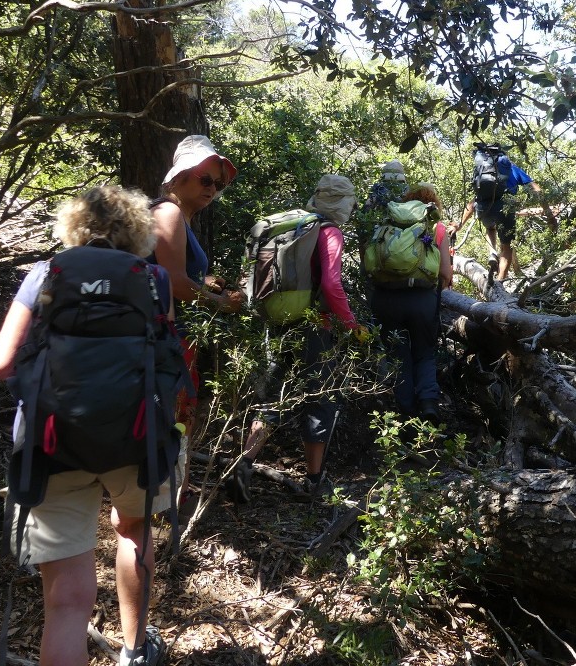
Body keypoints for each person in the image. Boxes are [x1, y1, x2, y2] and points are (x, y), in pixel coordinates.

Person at [0, 185, 176, 666]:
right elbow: (164, 360)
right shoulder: (154, 279)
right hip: (135, 441)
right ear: (137, 230)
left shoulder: (46, 273)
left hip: (53, 445)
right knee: (134, 531)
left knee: (67, 604)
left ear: (73, 226)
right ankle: (135, 650)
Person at [231, 174, 367, 500]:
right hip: (313, 328)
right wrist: (352, 325)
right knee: (320, 399)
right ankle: (315, 480)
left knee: (273, 395)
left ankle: (243, 465)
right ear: (344, 203)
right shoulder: (329, 231)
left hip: (277, 322)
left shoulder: (296, 225)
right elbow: (333, 286)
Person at [149, 134, 245, 489]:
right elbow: (171, 282)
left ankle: (173, 489)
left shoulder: (179, 217)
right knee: (175, 413)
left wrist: (203, 281)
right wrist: (222, 302)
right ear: (179, 176)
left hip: (170, 336)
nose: (213, 189)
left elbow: (172, 272)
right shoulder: (169, 212)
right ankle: (165, 497)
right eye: (205, 180)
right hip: (164, 338)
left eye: (218, 184)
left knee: (181, 411)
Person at [369, 182, 453, 421]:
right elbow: (445, 272)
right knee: (425, 352)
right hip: (422, 299)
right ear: (433, 203)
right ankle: (428, 404)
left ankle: (405, 411)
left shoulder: (388, 224)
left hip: (386, 298)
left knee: (398, 353)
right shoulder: (436, 227)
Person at [449, 147, 557, 280]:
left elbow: (472, 203)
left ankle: (492, 252)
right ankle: (500, 281)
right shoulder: (512, 168)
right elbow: (536, 190)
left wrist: (459, 224)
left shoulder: (482, 171)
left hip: (483, 208)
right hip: (504, 208)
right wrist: (549, 214)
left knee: (490, 227)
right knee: (506, 248)